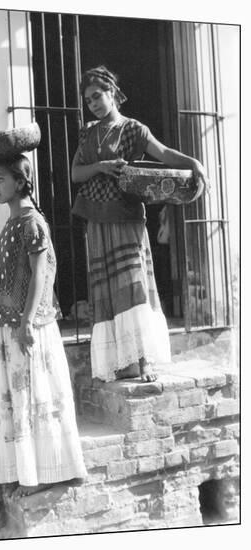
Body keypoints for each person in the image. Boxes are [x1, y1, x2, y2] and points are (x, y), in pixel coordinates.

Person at [71, 65, 208, 383]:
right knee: (106, 287)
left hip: (126, 214)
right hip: (96, 217)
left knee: (133, 284)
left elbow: (164, 154)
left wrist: (194, 163)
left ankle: (144, 360)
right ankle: (121, 362)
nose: (92, 103)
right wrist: (102, 166)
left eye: (97, 96)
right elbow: (76, 174)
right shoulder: (87, 132)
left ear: (112, 94)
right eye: (88, 99)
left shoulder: (133, 129)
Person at [0, 153, 87, 497]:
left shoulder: (31, 222)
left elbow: (40, 275)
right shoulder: (14, 223)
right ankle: (22, 469)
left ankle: (48, 471)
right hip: (9, 326)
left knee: (34, 396)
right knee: (15, 399)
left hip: (28, 328)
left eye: (1, 178)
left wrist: (27, 321)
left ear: (20, 181)